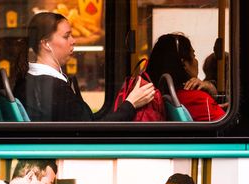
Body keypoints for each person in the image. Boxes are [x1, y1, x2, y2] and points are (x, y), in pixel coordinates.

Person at [14, 12, 155, 121]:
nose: (73, 41)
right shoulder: (54, 89)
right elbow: (92, 134)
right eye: (66, 36)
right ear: (46, 44)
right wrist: (131, 104)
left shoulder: (27, 79)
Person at [146, 33, 225, 121]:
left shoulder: (164, 95)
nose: (196, 61)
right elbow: (228, 125)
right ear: (184, 64)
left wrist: (210, 88)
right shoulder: (198, 99)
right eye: (194, 56)